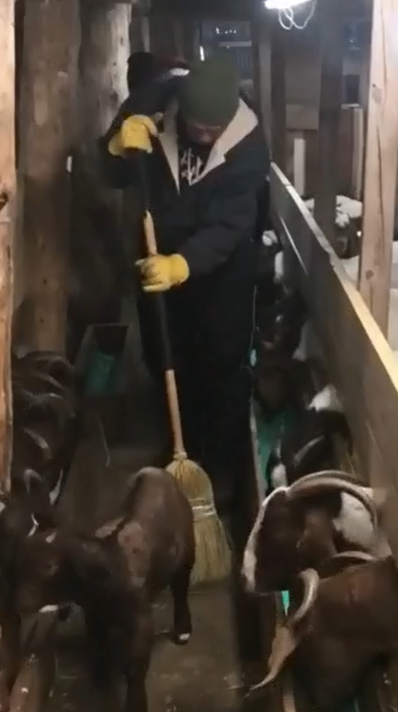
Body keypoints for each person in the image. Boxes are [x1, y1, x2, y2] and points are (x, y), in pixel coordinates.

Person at [99, 54, 271, 515]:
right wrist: (116, 148)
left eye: (211, 130)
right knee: (164, 354)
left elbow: (232, 225)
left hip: (221, 269)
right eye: (194, 126)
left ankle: (217, 473)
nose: (201, 136)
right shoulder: (152, 101)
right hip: (158, 254)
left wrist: (184, 263)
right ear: (179, 108)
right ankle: (178, 453)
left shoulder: (249, 145)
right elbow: (109, 171)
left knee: (220, 361)